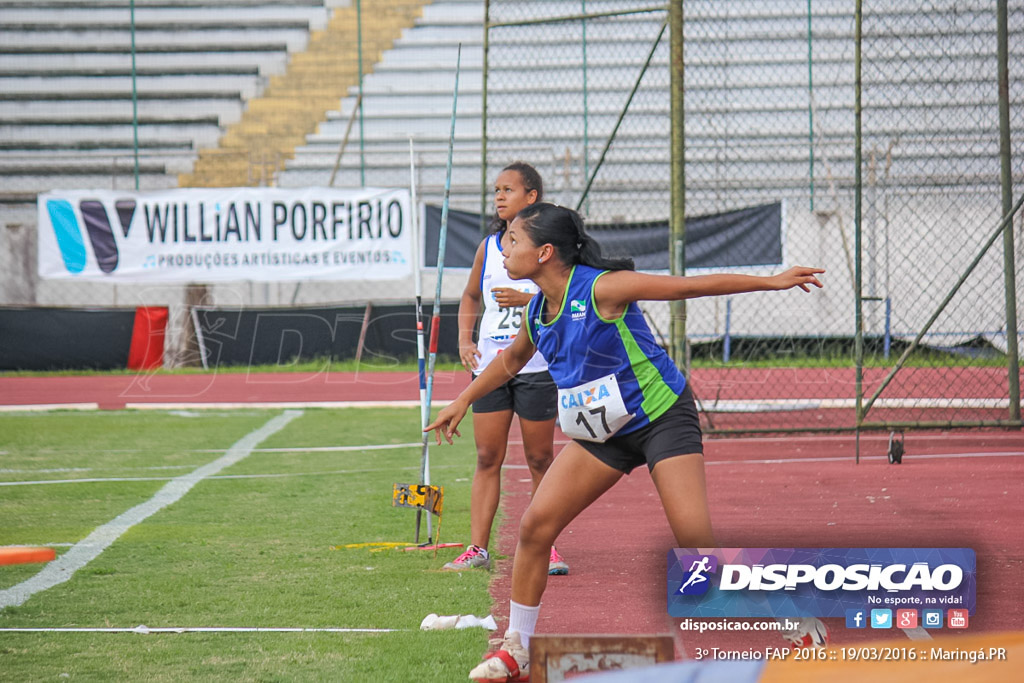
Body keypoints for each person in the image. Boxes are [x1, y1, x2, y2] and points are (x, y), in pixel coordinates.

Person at [425, 203, 828, 682]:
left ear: (545, 252)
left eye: (513, 240)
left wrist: (772, 280)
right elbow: (511, 361)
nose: (504, 247)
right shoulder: (536, 310)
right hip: (604, 433)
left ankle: (790, 614)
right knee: (535, 528)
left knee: (696, 544)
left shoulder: (601, 288)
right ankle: (519, 649)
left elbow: (688, 288)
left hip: (660, 417)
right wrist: (464, 399)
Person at [442, 162, 568, 576]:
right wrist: (464, 340)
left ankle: (545, 546)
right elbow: (470, 295)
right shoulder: (488, 247)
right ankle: (477, 548)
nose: (498, 196)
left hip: (537, 366)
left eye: (508, 189)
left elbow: (565, 297)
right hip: (492, 367)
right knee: (486, 456)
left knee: (539, 458)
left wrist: (527, 298)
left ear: (531, 196)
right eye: (495, 189)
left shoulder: (550, 248)